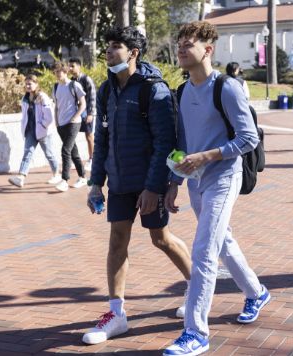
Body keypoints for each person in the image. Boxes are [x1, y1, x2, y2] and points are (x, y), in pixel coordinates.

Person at [163, 21, 270, 356]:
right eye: (179, 42)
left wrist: (207, 156)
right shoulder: (181, 91)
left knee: (204, 251)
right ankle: (256, 293)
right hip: (195, 181)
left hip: (224, 177)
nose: (181, 48)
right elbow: (182, 140)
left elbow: (248, 137)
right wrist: (175, 181)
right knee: (222, 242)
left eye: (188, 43)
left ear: (207, 50)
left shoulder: (226, 87)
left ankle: (196, 332)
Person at [82, 26, 192, 345]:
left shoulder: (153, 90)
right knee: (117, 240)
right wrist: (95, 184)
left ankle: (198, 288)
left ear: (133, 53)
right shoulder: (106, 90)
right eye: (107, 47)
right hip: (118, 182)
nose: (108, 52)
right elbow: (102, 139)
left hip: (148, 182)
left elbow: (165, 143)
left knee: (161, 239)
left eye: (115, 47)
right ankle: (116, 314)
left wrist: (155, 187)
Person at [8, 75, 60, 188]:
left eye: (30, 83)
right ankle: (21, 177)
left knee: (49, 154)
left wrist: (43, 125)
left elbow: (49, 116)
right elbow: (25, 116)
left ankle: (56, 174)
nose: (27, 86)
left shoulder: (42, 97)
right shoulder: (25, 98)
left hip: (43, 131)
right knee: (27, 153)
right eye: (26, 84)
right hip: (30, 131)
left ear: (36, 84)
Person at [51, 61, 87, 192]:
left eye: (58, 72)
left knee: (65, 150)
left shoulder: (74, 85)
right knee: (73, 152)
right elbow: (56, 106)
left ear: (65, 71)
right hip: (61, 124)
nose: (56, 74)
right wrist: (56, 121)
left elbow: (83, 104)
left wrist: (75, 117)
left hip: (73, 123)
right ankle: (83, 177)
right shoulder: (55, 87)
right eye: (55, 72)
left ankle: (64, 180)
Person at [68, 58, 97, 172]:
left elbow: (93, 97)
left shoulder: (86, 79)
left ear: (79, 66)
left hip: (87, 113)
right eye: (69, 66)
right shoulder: (70, 82)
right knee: (70, 136)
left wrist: (91, 114)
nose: (70, 68)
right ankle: (72, 160)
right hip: (75, 113)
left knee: (89, 136)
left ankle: (92, 159)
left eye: (72, 66)